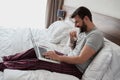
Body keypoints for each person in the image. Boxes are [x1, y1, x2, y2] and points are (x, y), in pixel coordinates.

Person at [0, 6, 104, 79]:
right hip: (69, 58)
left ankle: (3, 65)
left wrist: (57, 57)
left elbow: (81, 59)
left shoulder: (95, 35)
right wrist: (72, 40)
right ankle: (6, 59)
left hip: (76, 68)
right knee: (37, 50)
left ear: (86, 18)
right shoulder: (84, 31)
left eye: (77, 22)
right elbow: (74, 50)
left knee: (39, 61)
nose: (76, 25)